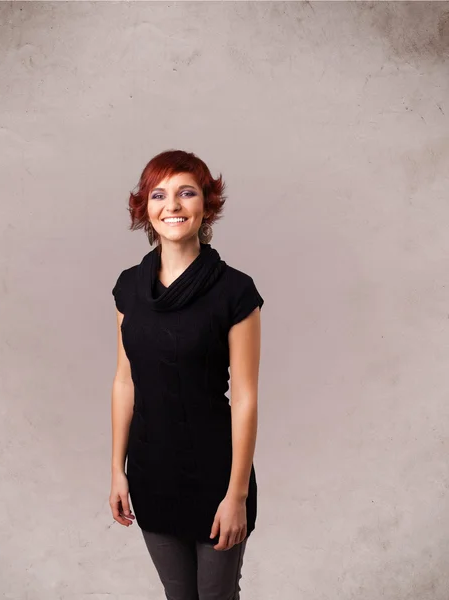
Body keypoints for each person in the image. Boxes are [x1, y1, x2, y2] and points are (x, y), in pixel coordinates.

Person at [109, 149, 264, 600]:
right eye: (159, 194)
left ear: (206, 205)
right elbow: (125, 380)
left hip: (217, 475)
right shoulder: (128, 288)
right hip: (151, 471)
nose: (172, 205)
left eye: (186, 193)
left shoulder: (236, 291)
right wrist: (117, 471)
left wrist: (236, 494)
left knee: (217, 596)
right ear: (145, 208)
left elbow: (247, 397)